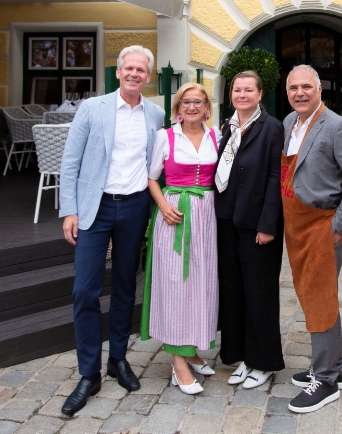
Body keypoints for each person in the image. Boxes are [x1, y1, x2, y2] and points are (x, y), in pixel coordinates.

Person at [58, 45, 164, 415]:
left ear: (148, 77)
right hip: (95, 207)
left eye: (141, 69)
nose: (135, 73)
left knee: (124, 286)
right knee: (84, 290)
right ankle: (89, 373)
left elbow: (158, 164)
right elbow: (69, 162)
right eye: (129, 68)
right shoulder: (93, 108)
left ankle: (118, 359)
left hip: (135, 207)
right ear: (118, 72)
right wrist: (69, 209)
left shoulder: (155, 114)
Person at [281, 65, 342, 413]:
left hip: (323, 223)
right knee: (312, 292)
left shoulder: (337, 125)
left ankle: (327, 380)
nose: (299, 93)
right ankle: (337, 366)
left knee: (319, 297)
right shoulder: (289, 122)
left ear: (319, 90)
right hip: (296, 225)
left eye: (306, 87)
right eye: (293, 88)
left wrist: (340, 226)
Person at [140, 82, 220, 395]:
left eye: (197, 102)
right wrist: (162, 206)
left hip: (206, 216)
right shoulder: (166, 136)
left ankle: (191, 350)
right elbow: (151, 177)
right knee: (175, 285)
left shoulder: (216, 136)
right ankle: (178, 363)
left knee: (200, 284)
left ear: (206, 108)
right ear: (177, 107)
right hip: (175, 214)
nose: (191, 107)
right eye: (186, 102)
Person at [214, 70, 285, 389]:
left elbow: (275, 178)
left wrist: (268, 224)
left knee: (260, 294)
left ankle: (264, 361)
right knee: (234, 292)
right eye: (237, 90)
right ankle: (242, 355)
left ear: (260, 94)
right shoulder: (226, 127)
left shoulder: (271, 128)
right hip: (226, 221)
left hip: (258, 225)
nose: (242, 95)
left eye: (248, 90)